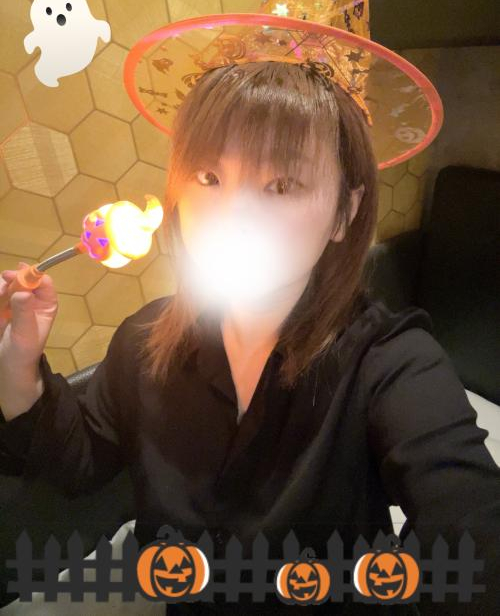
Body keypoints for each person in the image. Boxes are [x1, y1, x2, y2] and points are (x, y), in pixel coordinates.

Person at [1, 61, 499, 616]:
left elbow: (471, 526)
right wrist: (19, 360)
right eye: (208, 177)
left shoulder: (390, 361)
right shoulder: (144, 339)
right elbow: (80, 463)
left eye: (282, 185)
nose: (233, 215)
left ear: (344, 211)